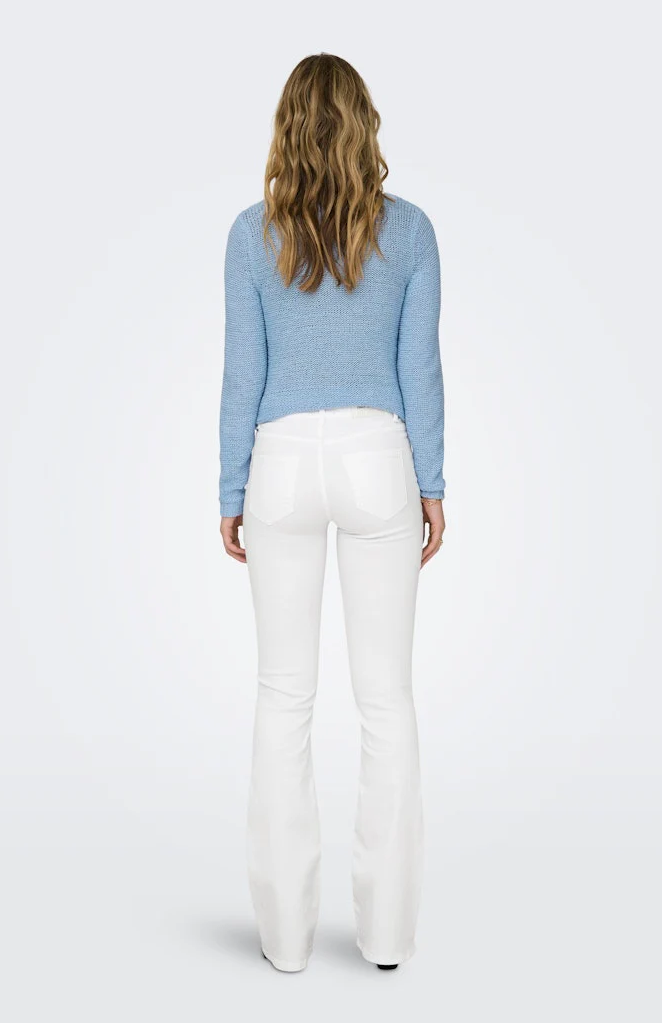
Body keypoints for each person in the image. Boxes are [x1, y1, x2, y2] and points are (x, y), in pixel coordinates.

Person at [218, 53, 446, 973]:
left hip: (280, 462)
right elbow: (419, 368)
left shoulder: (250, 234)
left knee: (284, 695)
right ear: (365, 126)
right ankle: (385, 937)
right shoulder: (412, 231)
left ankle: (284, 941)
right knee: (386, 699)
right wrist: (433, 484)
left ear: (287, 130)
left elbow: (243, 372)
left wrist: (231, 490)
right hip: (378, 458)